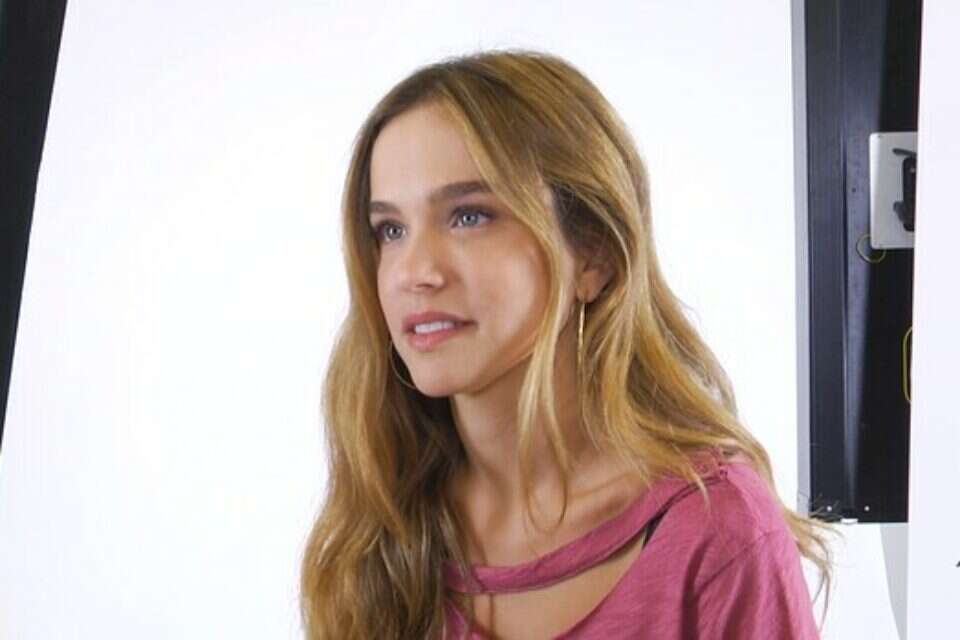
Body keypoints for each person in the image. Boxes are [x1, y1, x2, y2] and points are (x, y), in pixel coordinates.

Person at [300, 50, 833, 639]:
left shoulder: (717, 531)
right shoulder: (379, 530)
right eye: (391, 230)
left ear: (594, 255)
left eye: (469, 216)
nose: (414, 272)